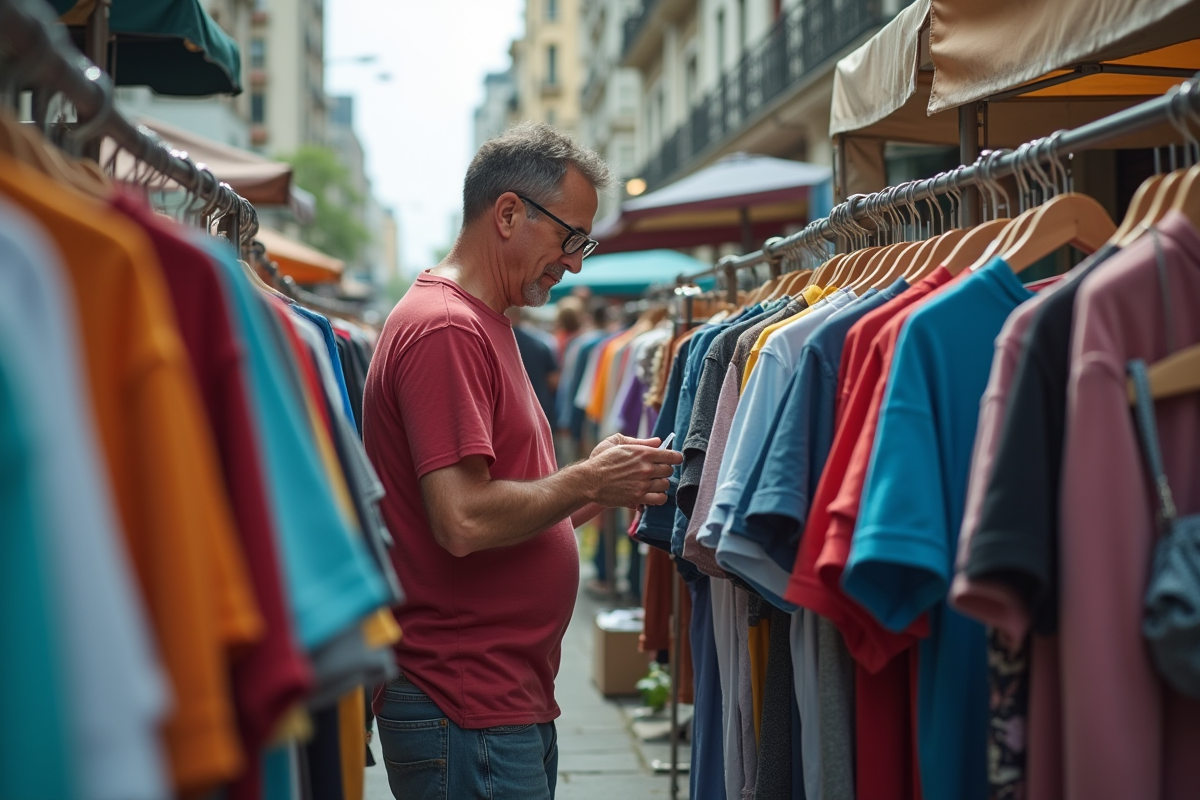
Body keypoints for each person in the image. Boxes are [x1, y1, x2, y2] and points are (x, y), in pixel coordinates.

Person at [361, 122, 682, 800]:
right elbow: (464, 520)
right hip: (464, 702)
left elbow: (512, 498)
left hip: (493, 700)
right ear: (509, 213)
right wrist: (588, 477)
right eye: (572, 238)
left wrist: (601, 482)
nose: (575, 265)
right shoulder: (446, 327)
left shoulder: (481, 321)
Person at [505, 306, 560, 423]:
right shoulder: (540, 343)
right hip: (539, 410)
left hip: (507, 414)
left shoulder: (492, 342)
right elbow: (554, 381)